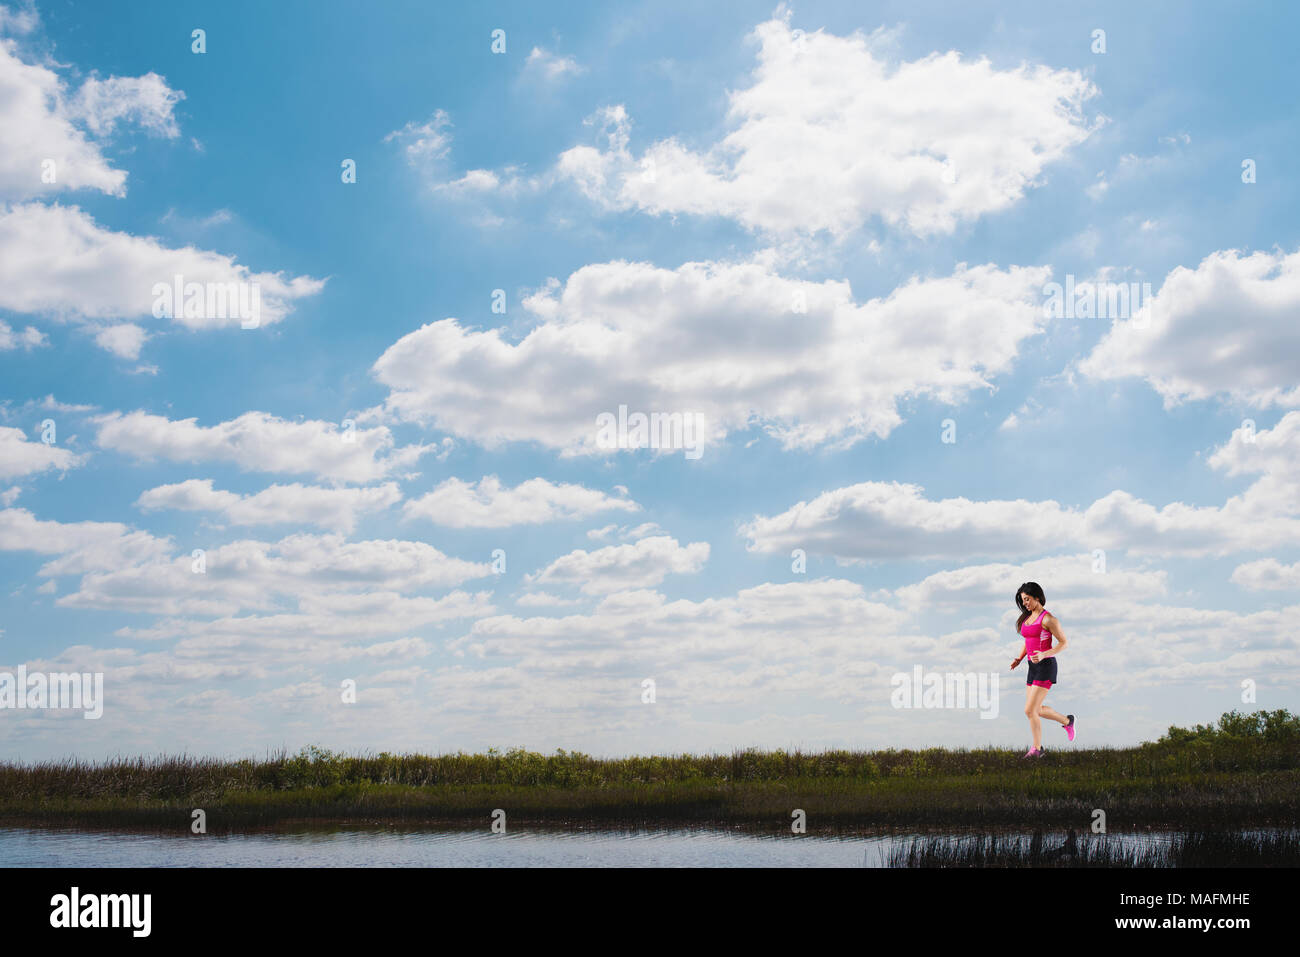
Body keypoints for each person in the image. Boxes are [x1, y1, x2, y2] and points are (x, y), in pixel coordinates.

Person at [1010, 582, 1076, 757]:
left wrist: (1045, 654)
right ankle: (1067, 721)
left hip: (1046, 666)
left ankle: (1037, 750)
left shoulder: (1048, 619)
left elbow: (1064, 643)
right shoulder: (1027, 618)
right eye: (1023, 601)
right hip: (1032, 667)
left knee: (1029, 710)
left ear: (1037, 597)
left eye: (1027, 599)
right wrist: (1019, 658)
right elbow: (1028, 641)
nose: (1025, 604)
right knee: (1036, 710)